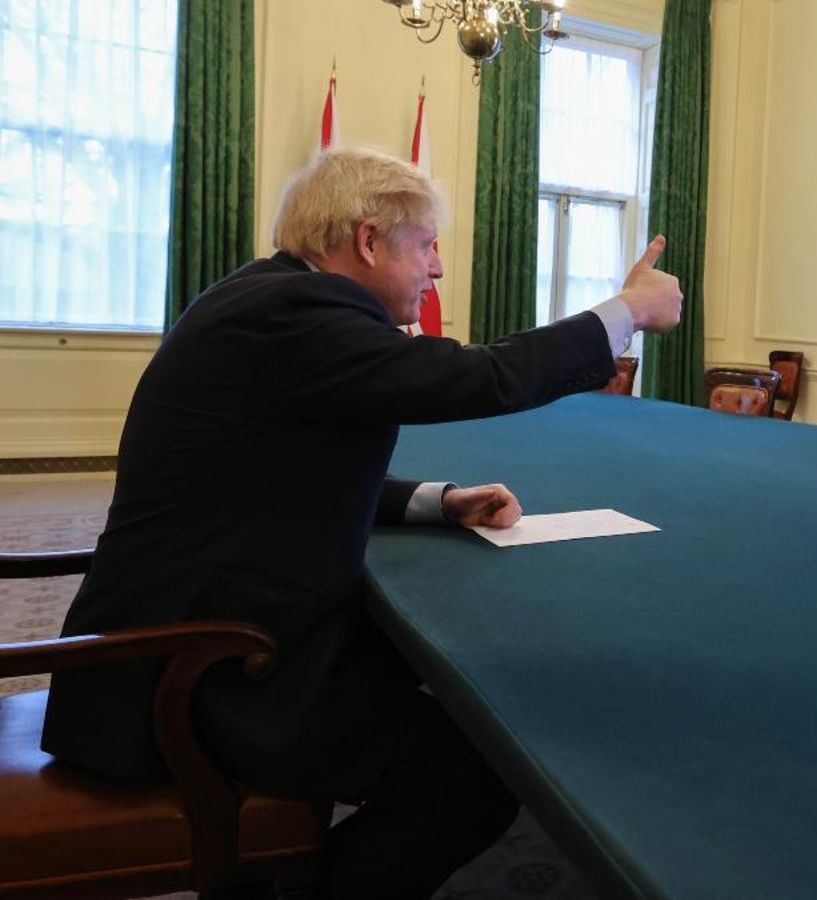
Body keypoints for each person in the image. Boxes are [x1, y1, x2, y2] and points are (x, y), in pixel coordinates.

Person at [40, 147, 682, 898]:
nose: (438, 267)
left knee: (433, 675)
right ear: (368, 240)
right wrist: (626, 311)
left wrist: (433, 500)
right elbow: (478, 375)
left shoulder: (271, 296)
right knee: (469, 781)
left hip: (206, 621)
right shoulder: (291, 313)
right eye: (427, 244)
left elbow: (279, 464)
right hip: (198, 664)